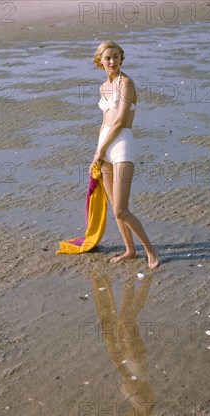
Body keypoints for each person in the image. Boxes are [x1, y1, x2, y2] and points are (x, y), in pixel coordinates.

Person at [90, 40, 160, 269]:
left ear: (121, 58)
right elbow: (105, 121)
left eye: (116, 56)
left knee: (121, 208)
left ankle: (150, 250)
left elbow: (120, 121)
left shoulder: (126, 84)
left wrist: (103, 148)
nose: (112, 61)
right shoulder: (103, 87)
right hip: (104, 145)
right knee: (114, 208)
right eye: (107, 57)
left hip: (122, 146)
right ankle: (130, 250)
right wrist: (97, 151)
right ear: (100, 61)